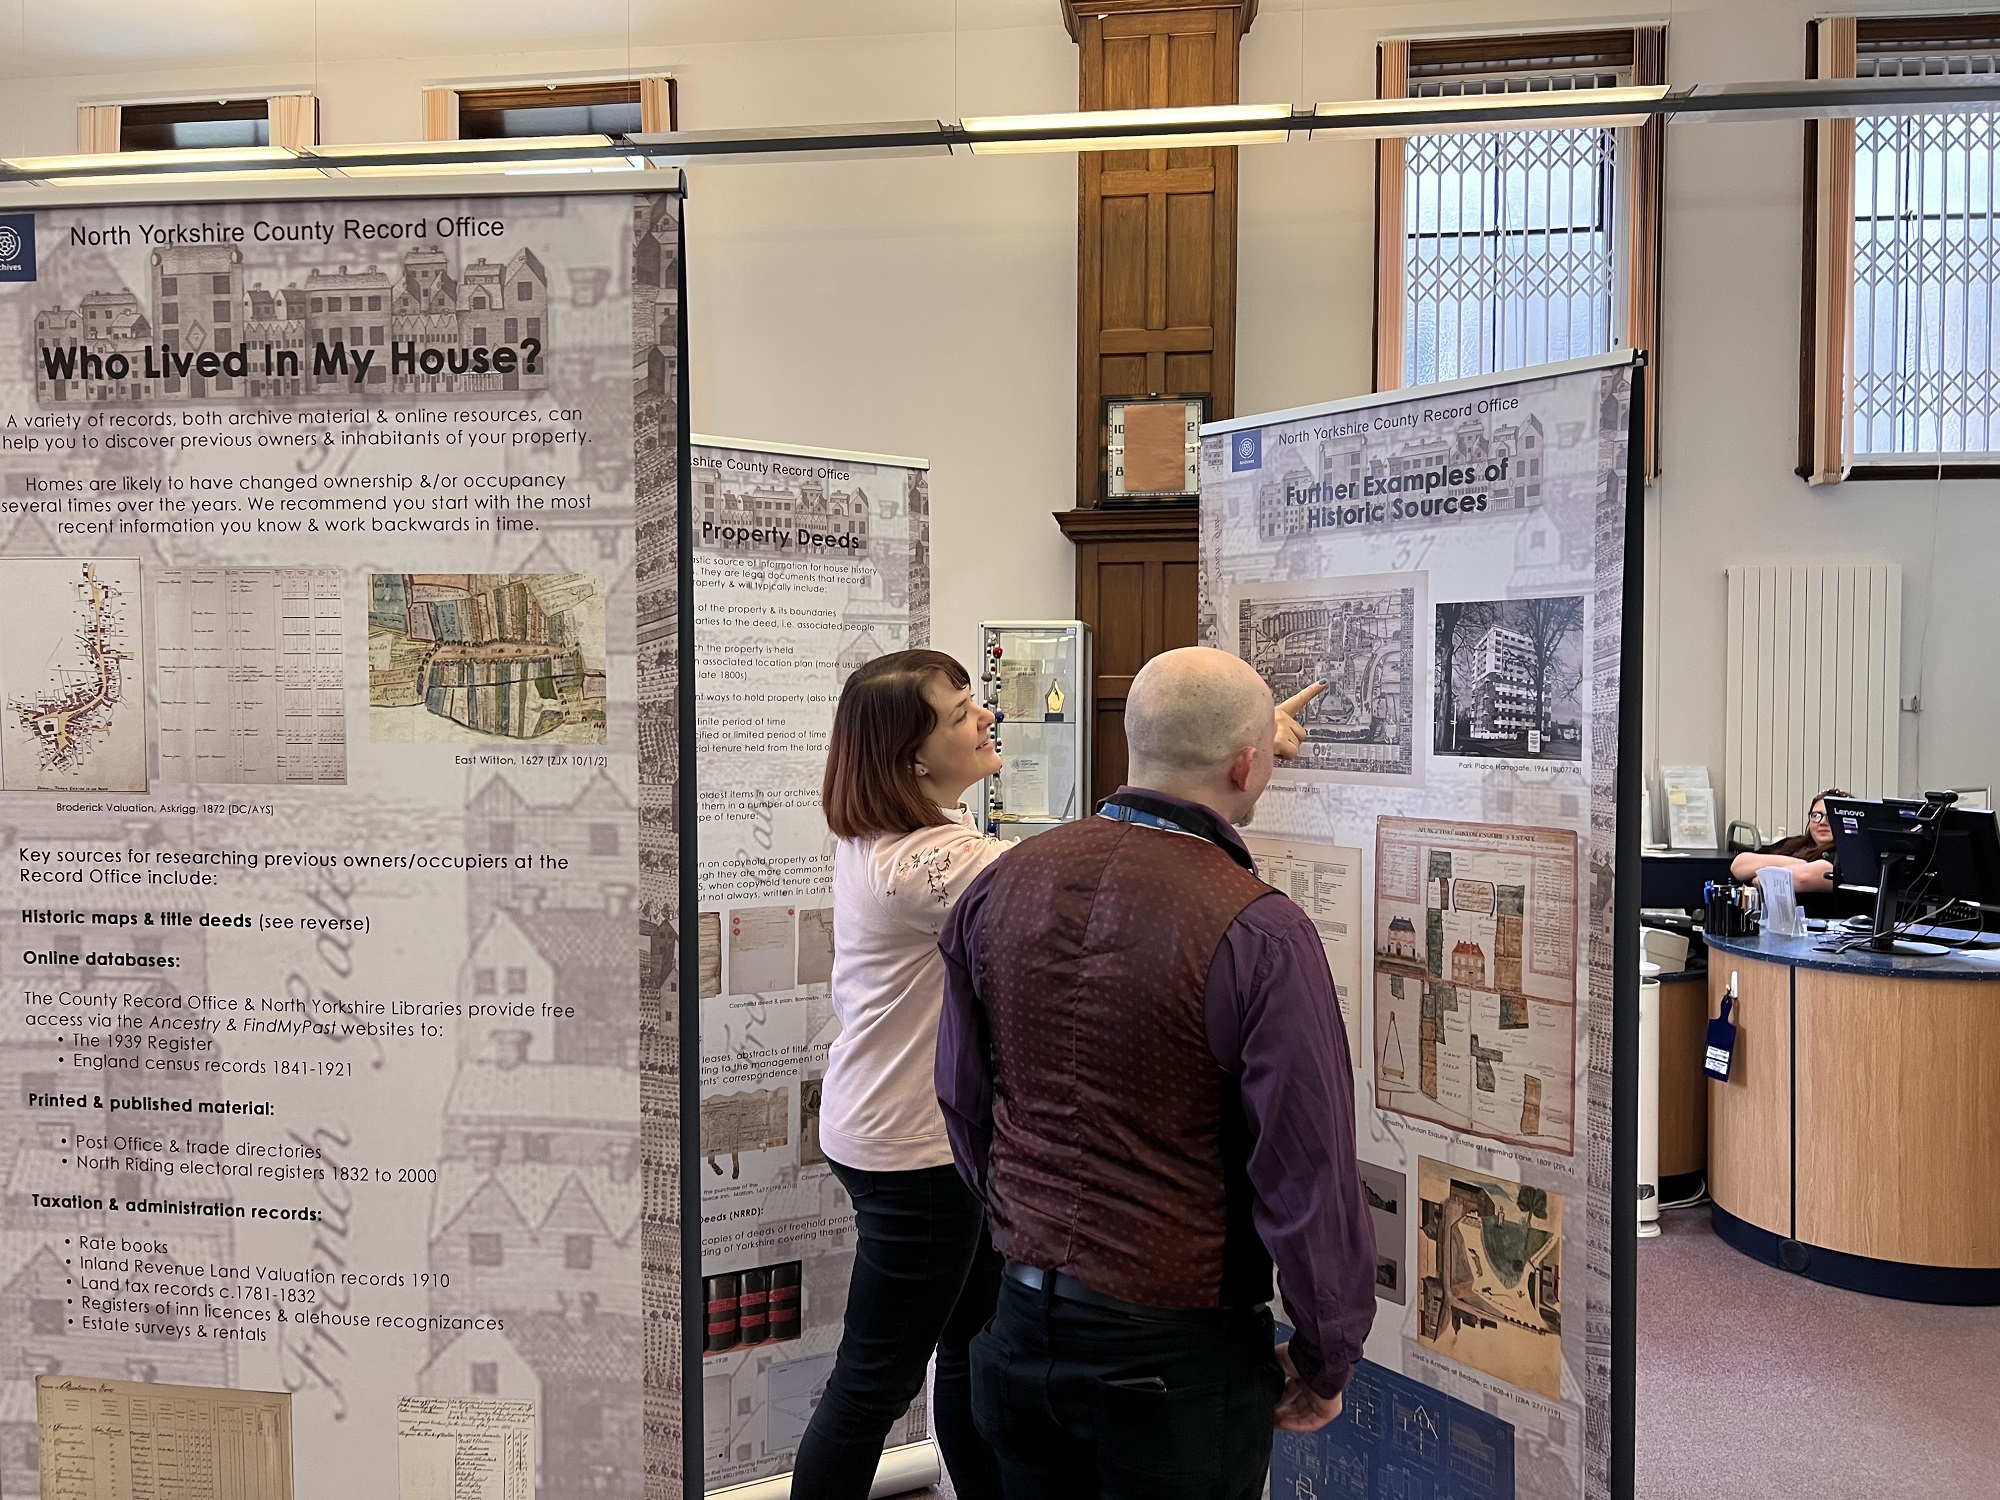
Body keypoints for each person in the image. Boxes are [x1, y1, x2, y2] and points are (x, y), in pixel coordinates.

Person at [936, 646, 1376, 1500]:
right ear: (1249, 765)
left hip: (1018, 1328)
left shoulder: (1002, 885)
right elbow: (1306, 1171)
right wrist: (1329, 1354)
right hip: (1177, 1358)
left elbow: (965, 1101)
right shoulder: (1259, 932)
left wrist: (1024, 1228)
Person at [793, 649, 1009, 1500]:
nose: (985, 716)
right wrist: (1207, 760)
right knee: (873, 1385)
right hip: (913, 1153)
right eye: (961, 713)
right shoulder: (932, 863)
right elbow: (1087, 869)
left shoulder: (882, 838)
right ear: (911, 758)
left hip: (899, 1129)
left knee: (971, 1343)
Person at [1730, 787, 1848, 895]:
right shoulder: (1795, 844)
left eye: (1830, 817)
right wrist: (1801, 863)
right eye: (1817, 815)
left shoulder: (1846, 855)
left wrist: (1760, 877)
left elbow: (1801, 878)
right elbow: (1739, 865)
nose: (1822, 822)